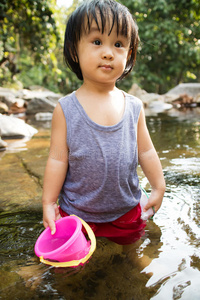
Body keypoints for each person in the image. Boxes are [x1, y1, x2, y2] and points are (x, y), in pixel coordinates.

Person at [42, 0, 165, 245]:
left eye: (118, 44)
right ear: (75, 50)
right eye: (97, 41)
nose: (108, 52)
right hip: (77, 214)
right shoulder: (66, 109)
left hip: (126, 211)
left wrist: (158, 186)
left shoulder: (133, 107)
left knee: (132, 262)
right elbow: (57, 158)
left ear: (129, 54)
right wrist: (48, 202)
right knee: (69, 267)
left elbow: (146, 151)